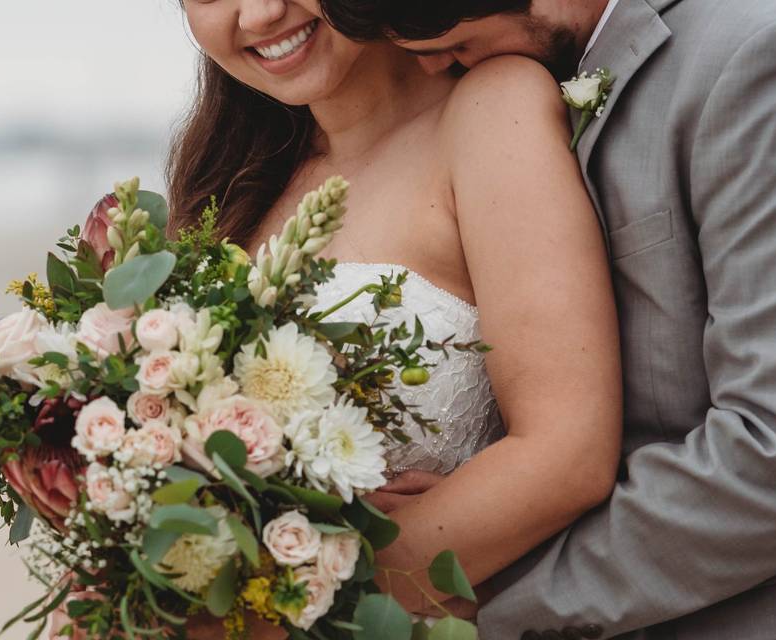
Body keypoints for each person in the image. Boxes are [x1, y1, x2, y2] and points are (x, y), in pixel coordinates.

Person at [49, 0, 624, 638]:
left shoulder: (491, 110)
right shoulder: (230, 182)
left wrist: (270, 604)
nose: (262, 14)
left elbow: (567, 453)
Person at [317, 0, 776, 638]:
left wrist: (466, 590)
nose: (434, 62)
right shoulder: (524, 77)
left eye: (440, 39)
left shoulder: (775, 54)